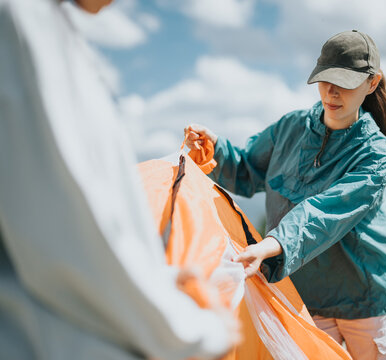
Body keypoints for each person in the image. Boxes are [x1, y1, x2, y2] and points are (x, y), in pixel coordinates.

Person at [0, 0, 238, 359]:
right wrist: (200, 331)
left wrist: (156, 279)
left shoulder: (58, 31)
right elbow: (72, 234)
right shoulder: (22, 22)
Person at [185, 30, 386, 359]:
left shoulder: (374, 155)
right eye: (325, 79)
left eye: (345, 81)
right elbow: (248, 170)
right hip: (304, 299)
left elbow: (324, 214)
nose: (332, 92)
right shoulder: (290, 129)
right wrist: (216, 151)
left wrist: (274, 245)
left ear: (372, 84)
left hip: (366, 303)